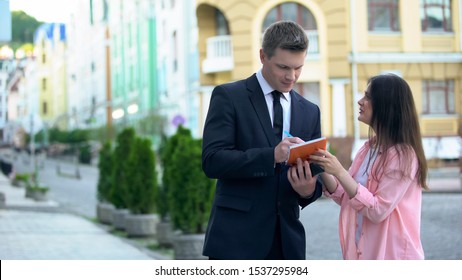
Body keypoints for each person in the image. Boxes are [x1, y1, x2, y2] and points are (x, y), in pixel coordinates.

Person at [201, 20, 323, 260]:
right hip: (236, 240)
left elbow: (314, 175)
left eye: (298, 67)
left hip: (287, 243)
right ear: (262, 56)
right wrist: (272, 156)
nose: (292, 76)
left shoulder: (310, 111)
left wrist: (309, 190)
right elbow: (212, 161)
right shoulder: (229, 96)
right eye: (283, 67)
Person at [310, 73, 428, 260]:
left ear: (386, 105)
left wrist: (339, 170)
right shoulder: (368, 149)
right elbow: (346, 195)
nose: (360, 101)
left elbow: (377, 210)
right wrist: (320, 166)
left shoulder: (404, 156)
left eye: (368, 97)